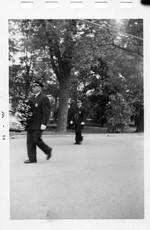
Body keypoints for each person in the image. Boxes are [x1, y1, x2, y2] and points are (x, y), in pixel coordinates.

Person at [24, 80, 52, 164]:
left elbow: (46, 112)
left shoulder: (44, 97)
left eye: (34, 86)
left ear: (39, 87)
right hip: (30, 123)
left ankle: (48, 150)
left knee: (36, 139)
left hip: (39, 124)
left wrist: (44, 123)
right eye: (32, 86)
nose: (33, 88)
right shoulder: (31, 98)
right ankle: (32, 159)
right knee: (30, 141)